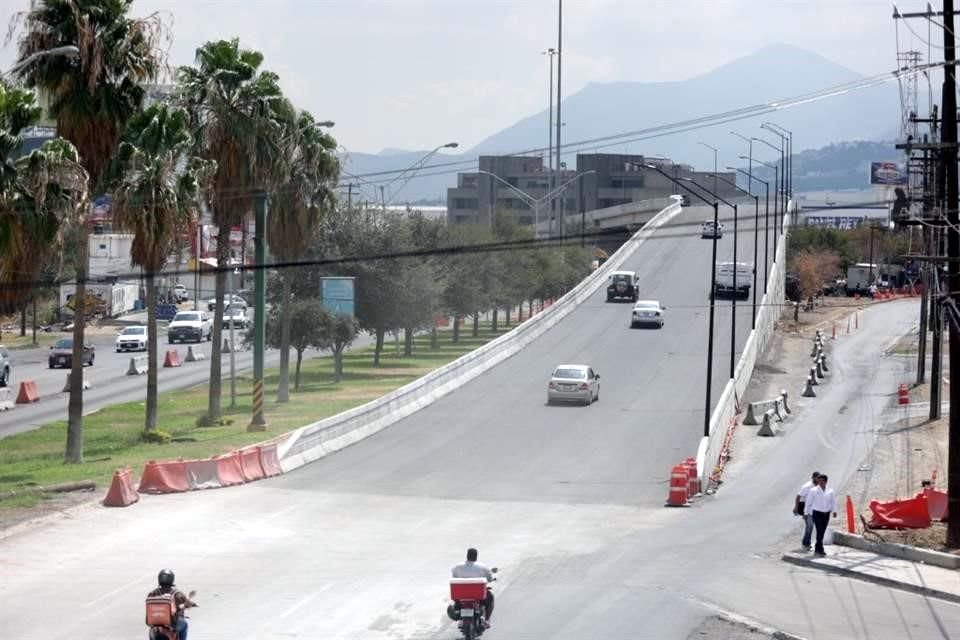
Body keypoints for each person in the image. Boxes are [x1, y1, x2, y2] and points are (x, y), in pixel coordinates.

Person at [450, 548, 496, 626]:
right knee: (490, 597)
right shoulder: (482, 567)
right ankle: (487, 620)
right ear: (476, 556)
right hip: (478, 595)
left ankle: (460, 618)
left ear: (467, 556)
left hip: (461, 595)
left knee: (456, 602)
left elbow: (454, 578)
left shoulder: (457, 567)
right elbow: (489, 579)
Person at [147, 569, 195, 640]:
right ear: (172, 579)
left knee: (152, 632)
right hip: (172, 623)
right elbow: (188, 603)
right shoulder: (177, 594)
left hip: (155, 623)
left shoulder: (152, 593)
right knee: (184, 625)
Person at [805, 474, 837, 556]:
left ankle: (817, 547)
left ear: (826, 481)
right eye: (819, 481)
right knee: (819, 530)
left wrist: (834, 511)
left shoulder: (830, 491)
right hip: (817, 513)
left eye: (822, 481)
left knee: (822, 531)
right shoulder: (813, 490)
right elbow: (809, 502)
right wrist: (806, 512)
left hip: (826, 514)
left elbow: (833, 502)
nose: (820, 483)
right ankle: (820, 548)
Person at [794, 471, 820, 550]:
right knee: (810, 526)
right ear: (813, 478)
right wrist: (796, 507)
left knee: (810, 526)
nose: (818, 479)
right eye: (817, 478)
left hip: (814, 508)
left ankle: (806, 543)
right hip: (805, 507)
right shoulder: (807, 486)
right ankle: (805, 543)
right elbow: (798, 496)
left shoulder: (819, 485)